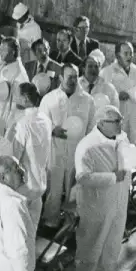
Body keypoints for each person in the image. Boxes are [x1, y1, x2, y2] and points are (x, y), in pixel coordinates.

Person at [73, 106, 131, 271]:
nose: (120, 124)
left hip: (119, 200)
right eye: (115, 121)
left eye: (120, 120)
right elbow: (82, 177)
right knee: (92, 244)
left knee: (113, 243)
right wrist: (112, 177)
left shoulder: (123, 138)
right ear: (101, 123)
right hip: (97, 205)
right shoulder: (87, 145)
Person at [40, 65, 97, 227]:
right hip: (55, 151)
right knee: (54, 188)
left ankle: (70, 225)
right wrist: (52, 130)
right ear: (60, 78)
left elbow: (92, 127)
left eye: (75, 76)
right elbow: (41, 122)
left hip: (76, 152)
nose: (72, 81)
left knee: (73, 189)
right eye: (69, 77)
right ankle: (51, 220)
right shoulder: (49, 99)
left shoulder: (87, 100)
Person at [10, 83, 52, 245]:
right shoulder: (46, 119)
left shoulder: (23, 124)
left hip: (24, 188)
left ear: (26, 99)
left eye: (17, 95)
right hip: (40, 184)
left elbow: (15, 157)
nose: (14, 98)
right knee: (31, 234)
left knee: (19, 236)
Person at [101, 42, 136, 144]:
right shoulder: (106, 72)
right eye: (126, 53)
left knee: (129, 149)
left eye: (131, 53)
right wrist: (117, 96)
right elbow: (102, 98)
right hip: (113, 121)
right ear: (118, 55)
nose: (129, 56)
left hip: (133, 120)